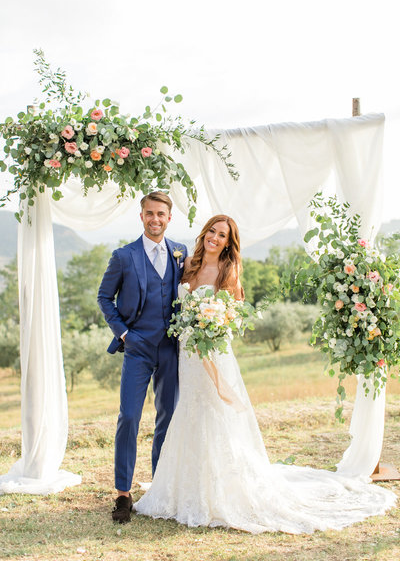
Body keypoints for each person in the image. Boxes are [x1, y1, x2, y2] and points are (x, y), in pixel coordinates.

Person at [134, 214, 396, 534]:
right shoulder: (186, 264)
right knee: (190, 413)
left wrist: (211, 328)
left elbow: (234, 319)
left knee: (217, 415)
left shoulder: (229, 273)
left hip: (213, 352)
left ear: (229, 243)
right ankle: (185, 486)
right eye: (212, 232)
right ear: (204, 234)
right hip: (186, 356)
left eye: (222, 235)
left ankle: (221, 490)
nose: (215, 238)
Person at [97, 191, 187, 523]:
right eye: (149, 213)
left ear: (168, 217)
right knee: (130, 417)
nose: (155, 219)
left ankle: (160, 487)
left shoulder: (181, 253)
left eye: (161, 214)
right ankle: (123, 493)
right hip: (137, 347)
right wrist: (123, 334)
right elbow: (104, 297)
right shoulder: (124, 256)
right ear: (141, 216)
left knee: (168, 416)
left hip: (170, 348)